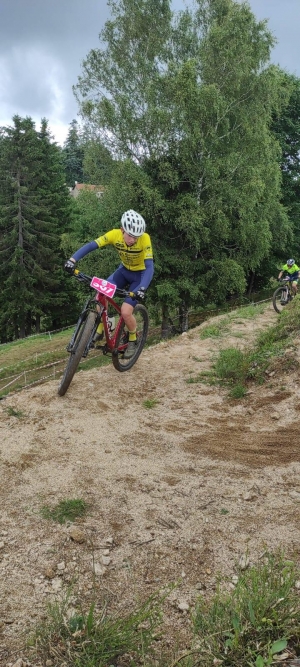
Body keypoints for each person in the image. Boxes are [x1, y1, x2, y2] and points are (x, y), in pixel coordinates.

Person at [64, 210, 154, 358]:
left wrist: (143, 287)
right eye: (130, 235)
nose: (133, 240)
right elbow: (92, 245)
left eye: (136, 237)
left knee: (125, 312)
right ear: (122, 230)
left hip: (140, 276)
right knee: (100, 293)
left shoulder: (145, 238)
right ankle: (102, 326)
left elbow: (150, 266)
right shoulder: (114, 234)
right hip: (123, 271)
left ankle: (133, 338)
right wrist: (72, 260)